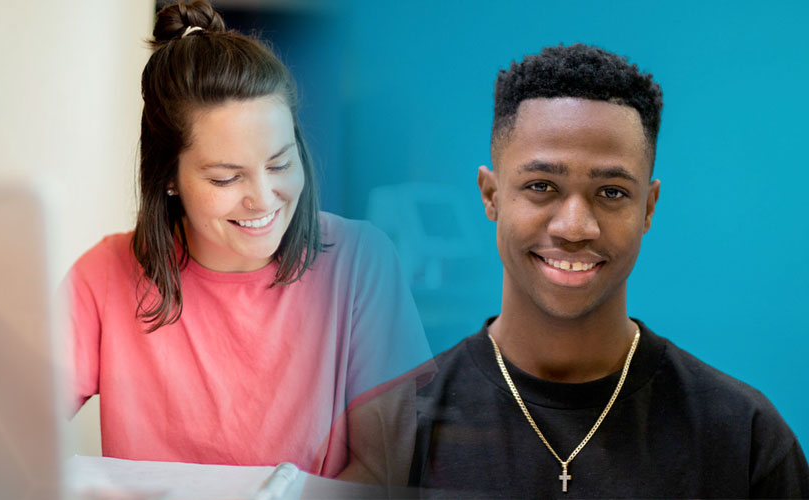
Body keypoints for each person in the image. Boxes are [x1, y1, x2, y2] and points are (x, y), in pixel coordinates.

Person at [339, 43, 809, 497]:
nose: (575, 227)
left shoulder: (743, 438)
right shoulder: (392, 430)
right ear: (491, 195)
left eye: (611, 192)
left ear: (649, 207)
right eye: (541, 185)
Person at [66, 0, 427, 476]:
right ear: (168, 177)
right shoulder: (103, 275)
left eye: (279, 164)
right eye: (225, 178)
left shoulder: (361, 263)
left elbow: (383, 473)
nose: (263, 199)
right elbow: (6, 431)